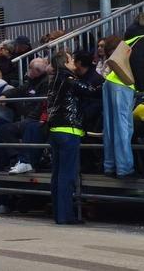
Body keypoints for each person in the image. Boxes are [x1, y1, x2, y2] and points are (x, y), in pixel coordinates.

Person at [103, 12, 144, 179]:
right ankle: (125, 168)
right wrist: (142, 87)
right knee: (123, 127)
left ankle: (110, 166)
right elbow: (138, 63)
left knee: (110, 127)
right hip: (124, 85)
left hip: (111, 81)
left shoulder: (130, 38)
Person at [47, 53, 92, 225]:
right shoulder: (69, 78)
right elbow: (90, 90)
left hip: (55, 130)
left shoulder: (54, 79)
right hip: (69, 130)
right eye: (71, 59)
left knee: (57, 174)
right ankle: (65, 215)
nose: (75, 62)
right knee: (67, 175)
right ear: (65, 63)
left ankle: (59, 213)